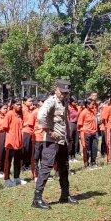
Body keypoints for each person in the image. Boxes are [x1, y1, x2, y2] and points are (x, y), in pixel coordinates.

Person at [31, 80, 78, 210]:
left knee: (64, 168)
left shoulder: (64, 102)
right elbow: (41, 117)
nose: (64, 95)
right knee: (46, 168)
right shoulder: (50, 101)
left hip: (62, 141)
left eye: (66, 93)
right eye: (62, 92)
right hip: (51, 141)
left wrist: (69, 137)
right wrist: (49, 132)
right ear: (56, 89)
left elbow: (65, 122)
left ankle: (65, 195)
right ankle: (37, 198)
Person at [1, 98, 25, 187]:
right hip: (10, 142)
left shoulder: (20, 115)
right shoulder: (9, 114)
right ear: (13, 105)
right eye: (17, 104)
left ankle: (17, 177)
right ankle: (7, 179)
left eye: (20, 104)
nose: (19, 106)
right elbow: (5, 127)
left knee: (18, 161)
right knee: (8, 161)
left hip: (19, 142)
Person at [77, 98, 99, 168]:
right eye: (92, 104)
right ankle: (86, 164)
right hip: (86, 132)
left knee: (94, 148)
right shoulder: (83, 113)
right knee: (87, 149)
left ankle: (93, 162)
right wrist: (81, 134)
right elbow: (79, 124)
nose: (93, 105)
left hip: (93, 133)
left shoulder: (92, 112)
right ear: (87, 105)